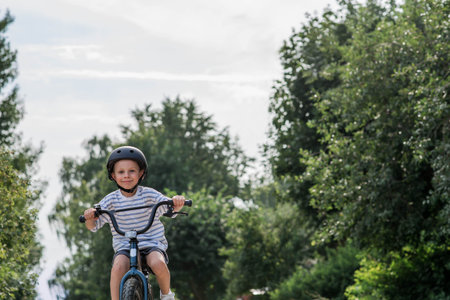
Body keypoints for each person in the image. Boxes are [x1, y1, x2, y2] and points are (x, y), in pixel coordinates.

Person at [83, 146, 185, 300]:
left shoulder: (149, 195)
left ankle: (166, 295)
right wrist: (90, 217)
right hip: (124, 245)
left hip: (151, 242)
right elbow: (93, 227)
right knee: (117, 268)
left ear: (141, 173)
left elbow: (171, 209)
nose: (126, 176)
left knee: (158, 263)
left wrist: (177, 203)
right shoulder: (110, 201)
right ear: (113, 175)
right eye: (121, 172)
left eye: (132, 171)